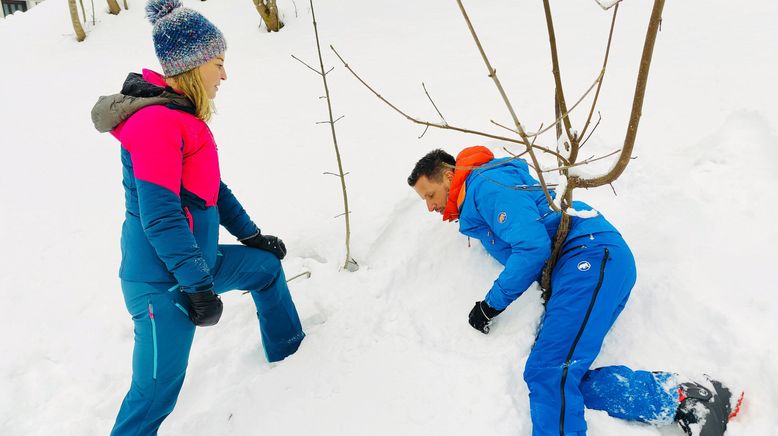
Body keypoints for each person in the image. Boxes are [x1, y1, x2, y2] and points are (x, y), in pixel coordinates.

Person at [407, 147, 742, 436]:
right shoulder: (480, 204)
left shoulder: (486, 185)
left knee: (549, 372)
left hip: (589, 258)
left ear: (450, 175)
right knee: (560, 378)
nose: (430, 207)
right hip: (586, 267)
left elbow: (532, 247)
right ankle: (684, 398)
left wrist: (490, 305)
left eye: (430, 195)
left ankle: (691, 399)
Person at [91, 1, 305, 434]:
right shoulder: (155, 124)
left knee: (265, 269)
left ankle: (296, 368)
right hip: (161, 283)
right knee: (155, 394)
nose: (224, 75)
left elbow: (212, 191)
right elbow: (162, 218)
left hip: (197, 266)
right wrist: (197, 288)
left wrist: (252, 236)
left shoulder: (181, 118)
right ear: (192, 66)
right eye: (218, 63)